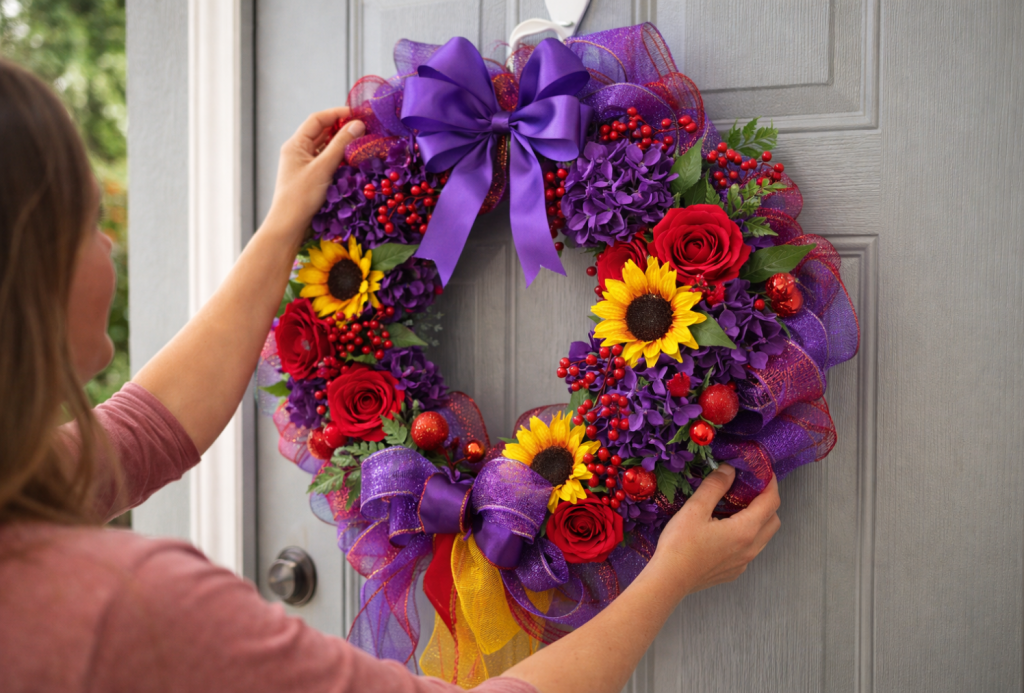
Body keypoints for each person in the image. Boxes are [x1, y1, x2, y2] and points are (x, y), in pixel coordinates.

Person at [0, 59, 781, 693]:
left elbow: (142, 432)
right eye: (87, 222)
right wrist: (668, 578)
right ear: (26, 270)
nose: (107, 245)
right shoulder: (124, 605)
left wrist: (285, 226)